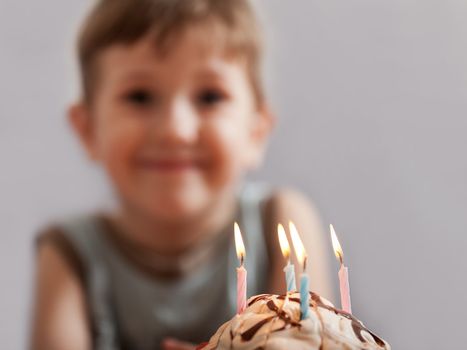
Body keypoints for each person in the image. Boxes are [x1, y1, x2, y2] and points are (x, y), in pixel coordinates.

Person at [31, 1, 332, 349]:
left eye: (209, 96)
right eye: (140, 96)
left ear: (256, 130)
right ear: (88, 131)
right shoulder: (70, 255)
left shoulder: (281, 222)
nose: (176, 129)